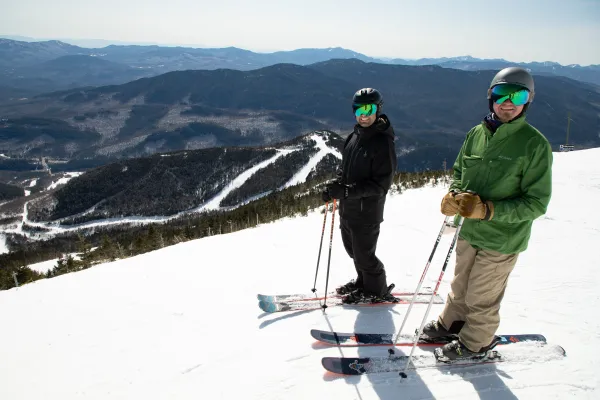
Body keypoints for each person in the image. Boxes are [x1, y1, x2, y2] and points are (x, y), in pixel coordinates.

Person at [422, 67, 553, 360]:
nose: (507, 102)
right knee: (460, 284)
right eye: (500, 94)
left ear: (527, 100)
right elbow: (459, 172)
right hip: (469, 230)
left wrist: (489, 210)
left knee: (482, 295)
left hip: (502, 238)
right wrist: (454, 196)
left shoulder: (534, 145)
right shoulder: (476, 134)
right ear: (490, 97)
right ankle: (451, 323)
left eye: (517, 95)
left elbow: (537, 203)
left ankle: (477, 342)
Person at [321, 88, 398, 304]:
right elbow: (345, 170)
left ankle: (376, 289)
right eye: (358, 109)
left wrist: (346, 191)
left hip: (367, 212)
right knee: (353, 251)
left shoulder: (383, 143)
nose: (363, 114)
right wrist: (335, 187)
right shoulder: (354, 136)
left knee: (365, 255)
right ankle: (363, 281)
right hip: (349, 209)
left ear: (378, 109)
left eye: (368, 108)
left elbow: (381, 186)